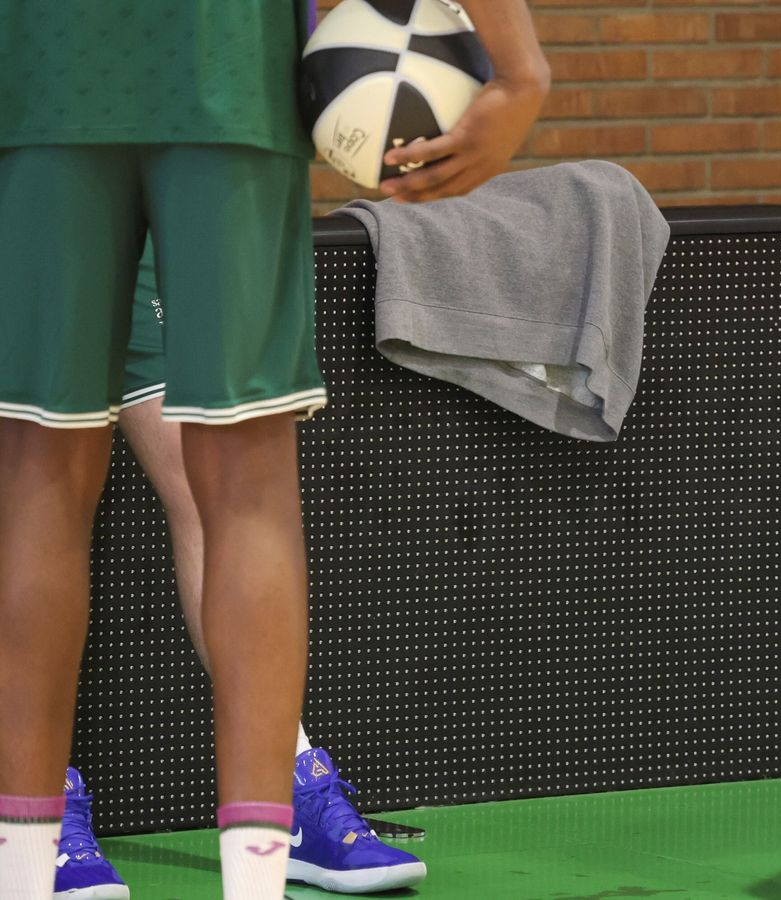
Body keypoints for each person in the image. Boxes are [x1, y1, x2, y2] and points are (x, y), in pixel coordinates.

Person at [0, 2, 548, 899]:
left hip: (42, 74)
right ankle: (253, 881)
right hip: (224, 73)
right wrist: (521, 70)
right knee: (246, 486)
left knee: (36, 479)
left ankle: (21, 874)